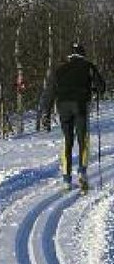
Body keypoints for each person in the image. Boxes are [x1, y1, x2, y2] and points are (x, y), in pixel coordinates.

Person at [39, 42, 106, 193]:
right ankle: (82, 172)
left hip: (63, 106)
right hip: (80, 105)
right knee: (83, 139)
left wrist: (46, 113)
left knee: (67, 141)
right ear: (82, 54)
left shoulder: (60, 69)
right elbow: (102, 87)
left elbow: (50, 92)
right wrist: (93, 89)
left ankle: (66, 179)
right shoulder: (88, 66)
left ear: (70, 55)